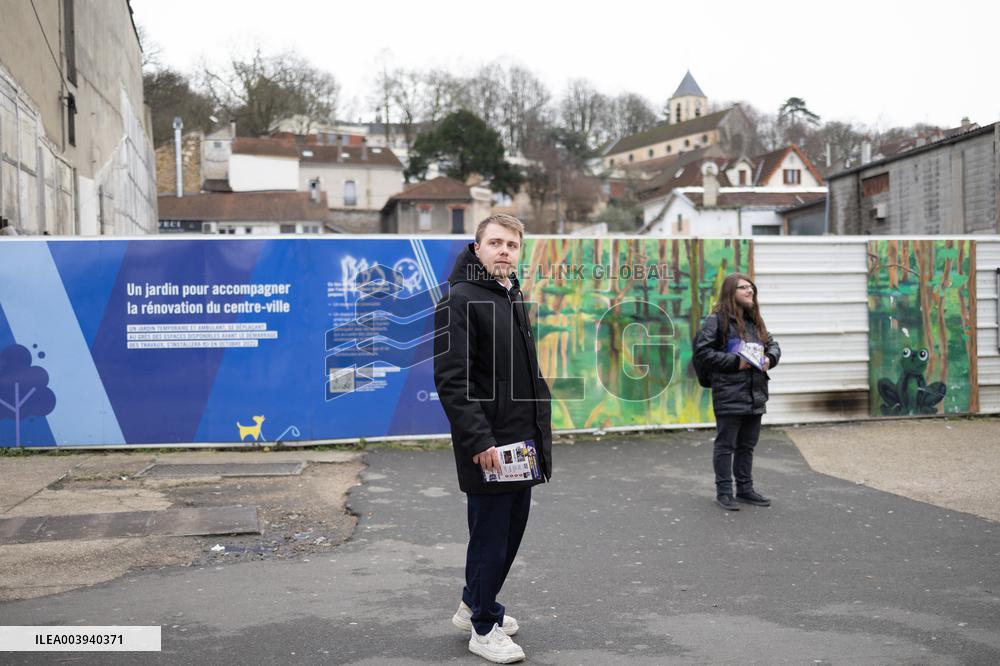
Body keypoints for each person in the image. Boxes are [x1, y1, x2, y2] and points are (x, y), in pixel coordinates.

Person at [433, 214, 552, 664]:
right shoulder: (460, 300)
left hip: (521, 442)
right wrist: (479, 440)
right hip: (489, 445)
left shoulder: (510, 294)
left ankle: (471, 606)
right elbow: (452, 379)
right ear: (477, 248)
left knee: (510, 531)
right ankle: (483, 628)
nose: (505, 251)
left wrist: (538, 432)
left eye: (512, 244)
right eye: (496, 243)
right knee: (490, 537)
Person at [693, 273, 781, 511]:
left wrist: (770, 359)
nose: (750, 291)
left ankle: (745, 489)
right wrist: (735, 362)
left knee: (747, 445)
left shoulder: (754, 320)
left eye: (751, 287)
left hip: (756, 392)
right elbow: (703, 351)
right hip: (730, 393)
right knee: (726, 445)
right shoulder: (717, 320)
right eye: (743, 288)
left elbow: (772, 344)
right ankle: (724, 492)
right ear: (731, 292)